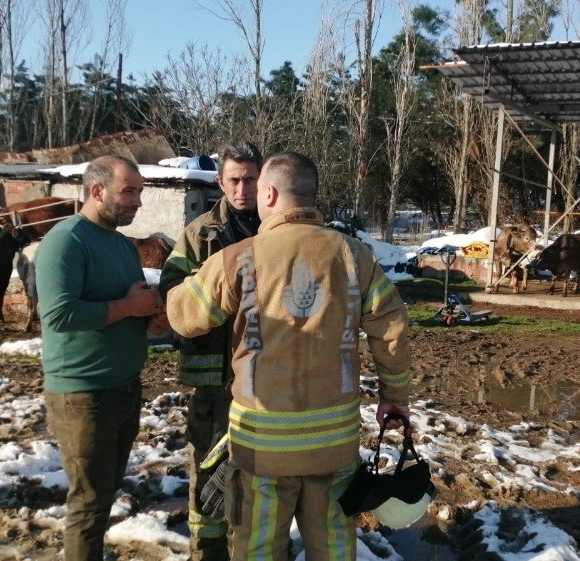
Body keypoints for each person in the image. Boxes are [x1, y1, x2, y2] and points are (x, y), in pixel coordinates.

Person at [166, 152, 412, 561]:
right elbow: (393, 333)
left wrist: (194, 277)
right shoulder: (356, 256)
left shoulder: (239, 257)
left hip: (262, 446)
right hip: (334, 443)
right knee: (333, 546)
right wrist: (395, 397)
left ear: (270, 193)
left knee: (260, 547)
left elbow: (183, 317)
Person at [35, 155, 165, 561]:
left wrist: (151, 317)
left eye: (140, 191)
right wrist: (128, 308)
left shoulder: (121, 245)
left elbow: (130, 302)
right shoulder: (67, 240)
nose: (138, 201)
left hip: (123, 388)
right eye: (130, 191)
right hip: (83, 394)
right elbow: (57, 315)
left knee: (104, 494)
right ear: (96, 190)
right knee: (88, 504)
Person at [159, 141, 263, 561]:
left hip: (265, 379)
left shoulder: (277, 231)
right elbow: (171, 293)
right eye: (234, 180)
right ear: (220, 182)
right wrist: (213, 296)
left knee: (260, 468)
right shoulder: (198, 234)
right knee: (209, 465)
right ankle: (209, 549)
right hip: (215, 378)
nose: (242, 189)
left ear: (264, 181)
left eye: (250, 179)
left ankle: (255, 544)